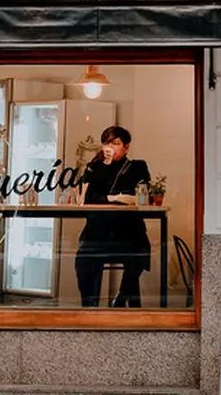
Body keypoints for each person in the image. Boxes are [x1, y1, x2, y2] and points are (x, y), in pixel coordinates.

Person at [75, 126, 151, 308]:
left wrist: (112, 198)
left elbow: (141, 195)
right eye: (107, 143)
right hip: (98, 231)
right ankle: (89, 305)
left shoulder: (136, 166)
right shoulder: (95, 168)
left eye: (116, 143)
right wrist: (96, 167)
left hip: (128, 230)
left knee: (139, 251)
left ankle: (122, 295)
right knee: (83, 259)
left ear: (126, 147)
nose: (110, 147)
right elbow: (86, 200)